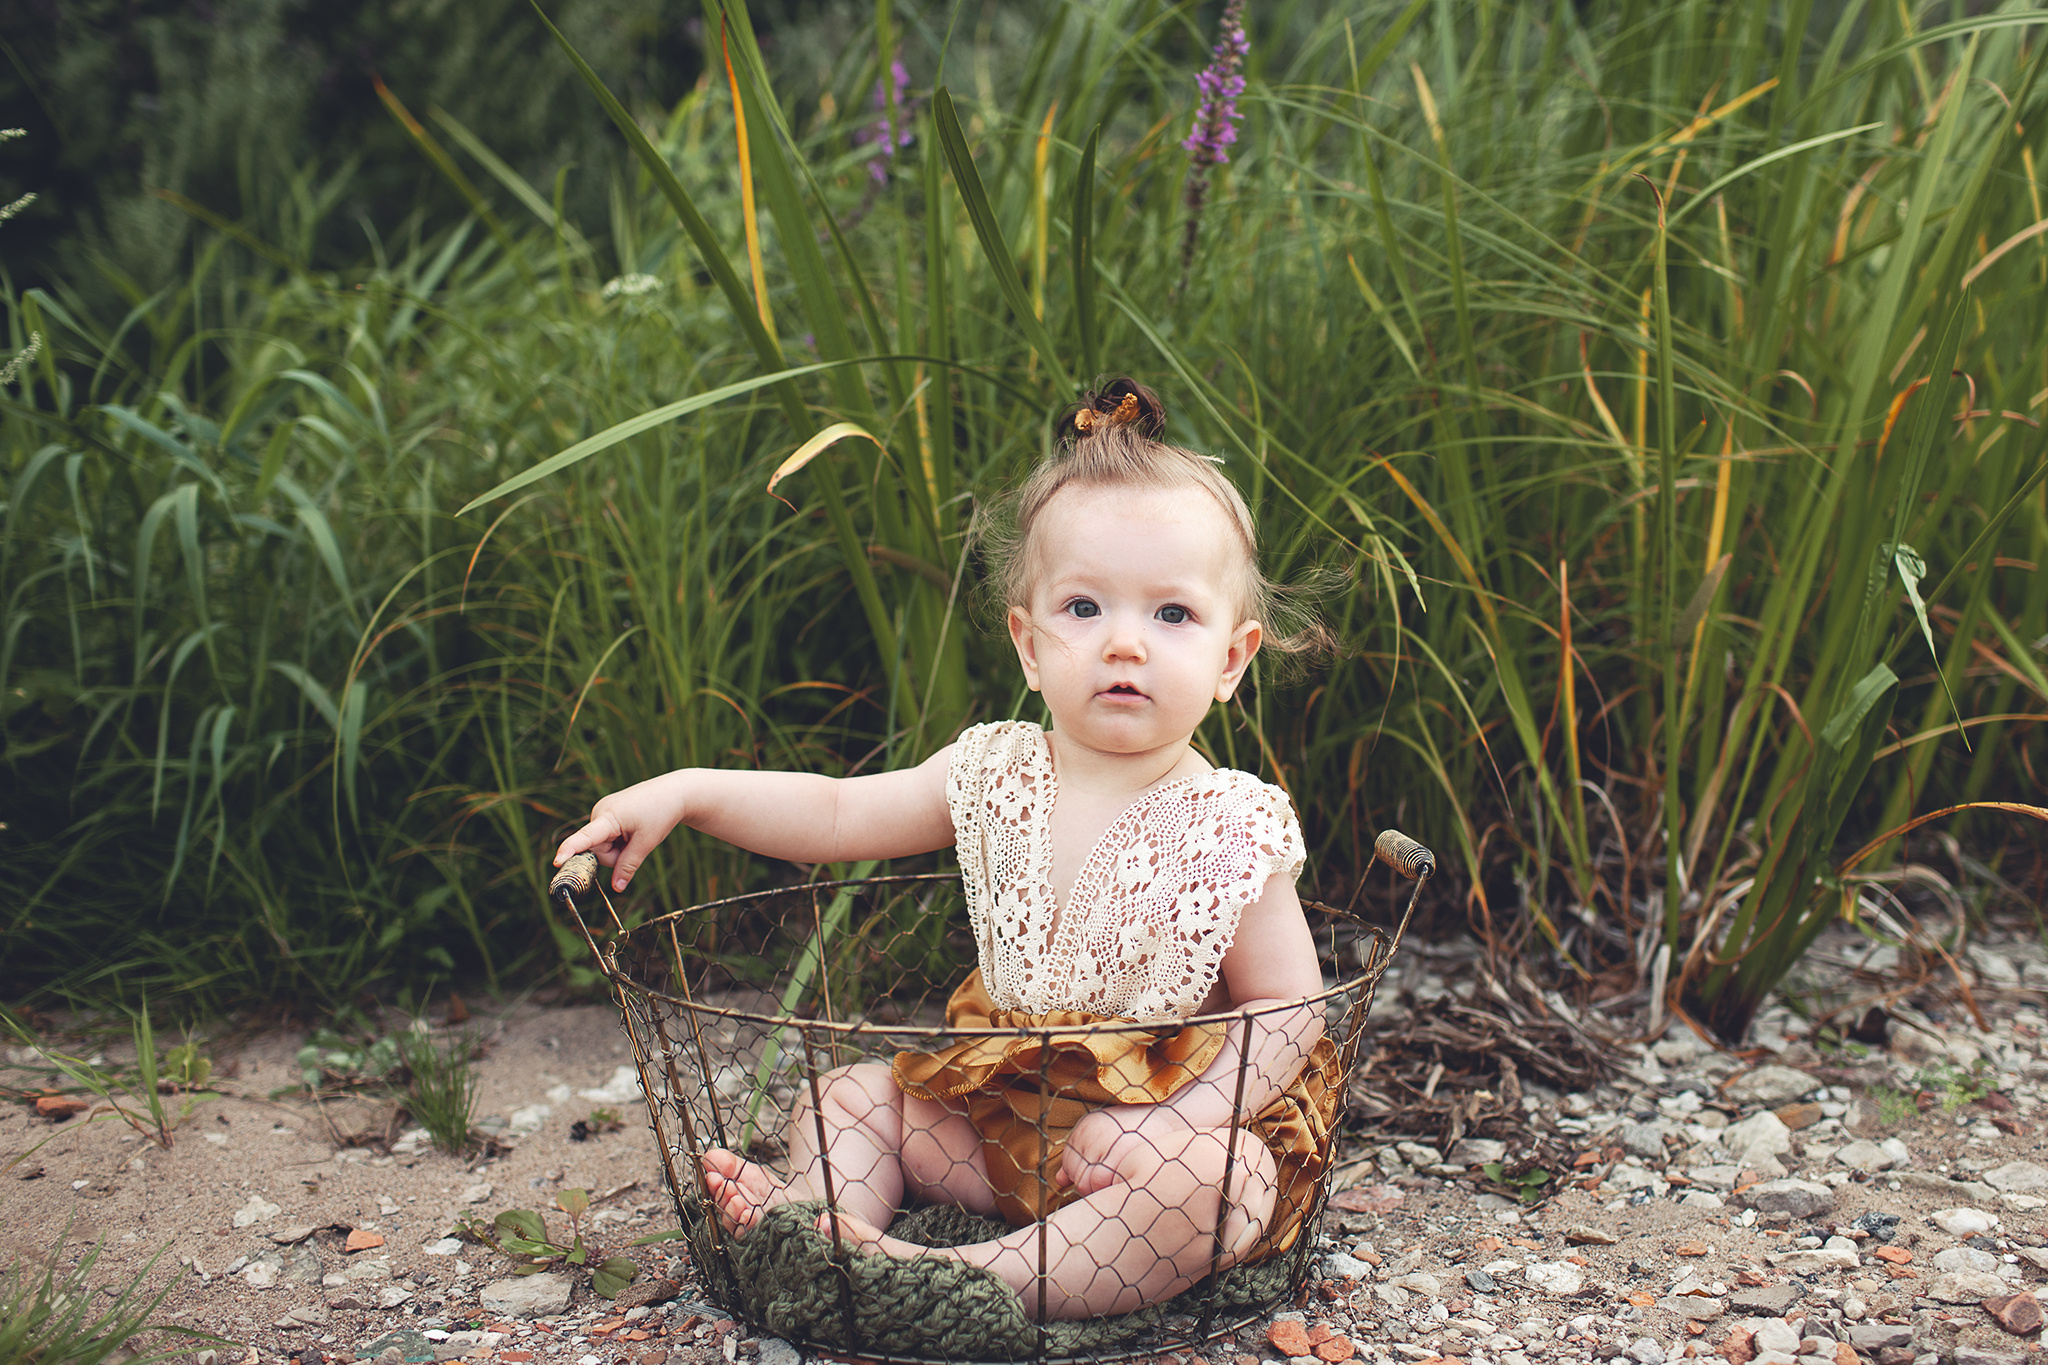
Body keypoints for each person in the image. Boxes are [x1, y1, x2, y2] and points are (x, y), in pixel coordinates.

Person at [552, 378, 1338, 1321]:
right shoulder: (994, 772)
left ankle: (967, 1277)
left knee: (1226, 1184)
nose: (1125, 644)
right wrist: (688, 791)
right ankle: (818, 1226)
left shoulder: (1230, 825)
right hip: (1004, 1134)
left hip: (1147, 1159)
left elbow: (1290, 1012)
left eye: (1171, 614)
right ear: (1027, 643)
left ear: (1231, 659)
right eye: (1084, 608)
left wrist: (1178, 1123)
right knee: (849, 1100)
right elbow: (838, 815)